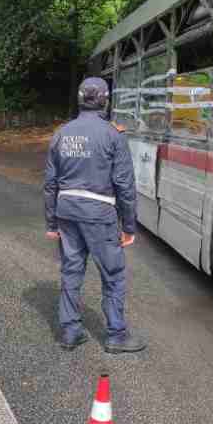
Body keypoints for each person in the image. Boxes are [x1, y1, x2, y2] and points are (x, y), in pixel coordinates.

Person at [43, 77, 146, 353]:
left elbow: (51, 182)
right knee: (112, 273)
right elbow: (125, 184)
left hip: (67, 211)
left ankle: (70, 331)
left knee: (71, 268)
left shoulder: (61, 133)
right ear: (105, 100)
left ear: (79, 99)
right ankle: (116, 335)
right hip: (99, 214)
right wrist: (129, 226)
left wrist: (52, 221)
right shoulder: (113, 135)